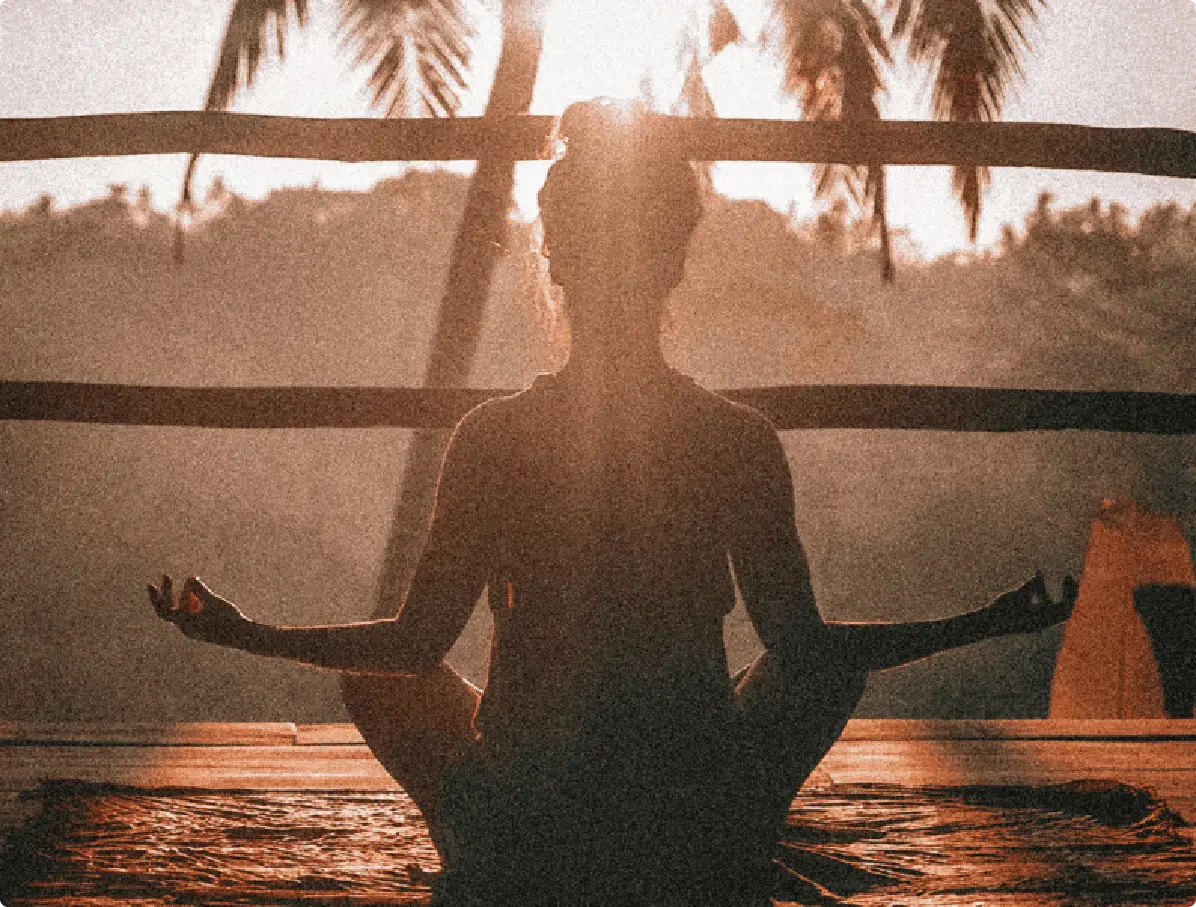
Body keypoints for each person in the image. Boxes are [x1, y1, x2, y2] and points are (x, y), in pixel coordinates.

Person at [149, 99, 1077, 906]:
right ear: (675, 261)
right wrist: (982, 622)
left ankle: (490, 851)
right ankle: (714, 842)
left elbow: (411, 646)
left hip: (527, 818)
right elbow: (808, 650)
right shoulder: (736, 439)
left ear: (555, 260)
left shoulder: (495, 437)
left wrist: (248, 631)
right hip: (692, 818)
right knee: (821, 667)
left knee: (380, 680)